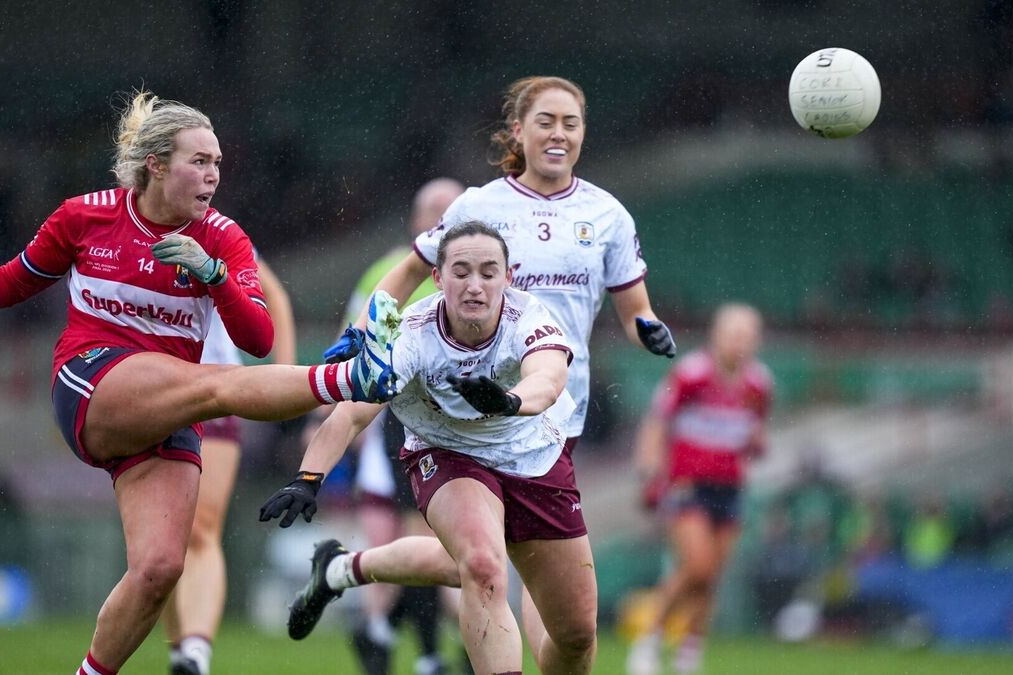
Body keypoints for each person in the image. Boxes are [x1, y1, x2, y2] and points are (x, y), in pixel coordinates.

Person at [0, 90, 401, 675]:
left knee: (160, 569)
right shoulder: (84, 216)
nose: (213, 175)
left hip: (165, 408)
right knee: (213, 385)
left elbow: (259, 336)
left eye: (217, 163)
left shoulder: (222, 238)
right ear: (156, 165)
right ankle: (349, 378)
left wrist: (213, 275)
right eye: (199, 161)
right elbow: (17, 279)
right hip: (89, 382)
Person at [309, 75, 677, 674]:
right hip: (460, 406)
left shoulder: (606, 214)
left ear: (584, 133)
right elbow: (408, 272)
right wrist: (367, 330)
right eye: (545, 121)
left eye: (570, 123)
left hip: (554, 408)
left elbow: (635, 310)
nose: (558, 134)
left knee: (493, 559)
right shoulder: (479, 206)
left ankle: (345, 568)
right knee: (487, 561)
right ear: (518, 131)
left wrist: (649, 330)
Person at [261, 222, 589, 674]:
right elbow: (353, 413)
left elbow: (549, 379)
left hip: (533, 455)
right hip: (446, 452)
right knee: (482, 565)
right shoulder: (409, 336)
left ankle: (339, 569)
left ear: (508, 277)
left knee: (575, 635)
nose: (474, 285)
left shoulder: (529, 316)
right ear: (437, 277)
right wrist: (308, 477)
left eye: (488, 272)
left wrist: (509, 401)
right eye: (461, 272)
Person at [342, 177, 463, 675]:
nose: (444, 219)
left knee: (438, 546)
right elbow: (358, 343)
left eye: (454, 210)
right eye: (435, 211)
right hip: (398, 423)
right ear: (416, 222)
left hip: (461, 427)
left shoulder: (478, 271)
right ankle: (411, 647)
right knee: (405, 540)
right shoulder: (387, 273)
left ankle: (388, 634)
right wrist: (335, 420)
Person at [164, 252, 296, 675]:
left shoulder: (221, 233)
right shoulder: (122, 229)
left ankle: (195, 653)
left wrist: (285, 378)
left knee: (201, 529)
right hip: (152, 396)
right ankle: (179, 649)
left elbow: (274, 296)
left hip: (214, 392)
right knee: (161, 541)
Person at [627, 303, 772, 675]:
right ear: (717, 336)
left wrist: (756, 442)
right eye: (734, 335)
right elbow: (657, 422)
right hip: (688, 485)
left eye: (748, 337)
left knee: (711, 576)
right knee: (697, 565)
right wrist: (649, 472)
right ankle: (651, 638)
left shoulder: (759, 384)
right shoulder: (692, 374)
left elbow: (755, 430)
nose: (741, 344)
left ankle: (690, 651)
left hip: (730, 487)